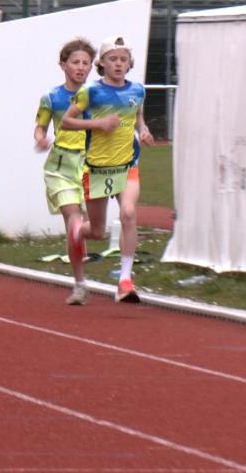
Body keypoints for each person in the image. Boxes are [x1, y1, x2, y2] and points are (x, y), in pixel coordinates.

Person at [61, 36, 153, 303]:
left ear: (130, 63)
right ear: (102, 63)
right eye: (113, 59)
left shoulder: (137, 90)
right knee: (97, 231)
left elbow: (138, 119)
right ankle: (77, 230)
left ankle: (125, 281)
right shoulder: (90, 92)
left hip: (127, 165)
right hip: (98, 169)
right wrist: (98, 124)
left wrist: (144, 131)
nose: (119, 64)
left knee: (128, 213)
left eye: (123, 59)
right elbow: (66, 122)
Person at [35, 38, 95, 305]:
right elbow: (40, 127)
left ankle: (80, 262)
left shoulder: (98, 95)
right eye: (75, 62)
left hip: (91, 164)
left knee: (89, 227)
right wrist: (40, 139)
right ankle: (80, 283)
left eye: (86, 63)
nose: (80, 67)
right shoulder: (51, 97)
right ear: (63, 65)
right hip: (60, 166)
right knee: (73, 221)